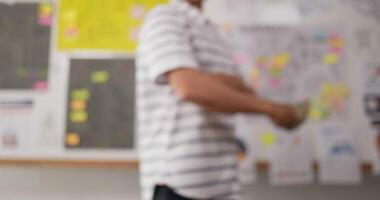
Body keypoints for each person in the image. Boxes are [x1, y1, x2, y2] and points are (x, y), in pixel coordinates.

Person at [136, 0, 300, 199]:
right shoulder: (165, 18)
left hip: (221, 183)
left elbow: (240, 89)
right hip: (179, 186)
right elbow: (189, 88)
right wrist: (272, 109)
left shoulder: (213, 32)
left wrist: (206, 83)